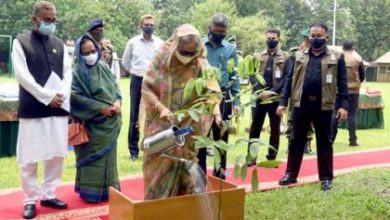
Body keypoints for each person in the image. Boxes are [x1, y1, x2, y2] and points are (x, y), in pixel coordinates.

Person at [141, 24, 220, 200]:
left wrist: (216, 113)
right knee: (158, 162)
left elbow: (213, 92)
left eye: (191, 53)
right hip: (161, 124)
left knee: (187, 165)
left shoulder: (200, 62)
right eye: (184, 52)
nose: (187, 57)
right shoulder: (161, 58)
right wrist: (161, 107)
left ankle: (183, 208)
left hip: (188, 125)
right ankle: (155, 208)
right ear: (176, 45)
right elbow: (146, 86)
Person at [11, 1, 70, 218]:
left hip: (58, 107)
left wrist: (60, 94)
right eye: (47, 20)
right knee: (29, 155)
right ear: (35, 19)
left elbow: (67, 72)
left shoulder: (60, 44)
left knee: (56, 154)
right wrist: (47, 97)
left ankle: (49, 194)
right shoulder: (21, 41)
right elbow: (22, 76)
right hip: (33, 107)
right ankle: (29, 199)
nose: (51, 24)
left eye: (54, 20)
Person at [276, 23, 349, 191]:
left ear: (326, 37)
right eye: (313, 36)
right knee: (296, 140)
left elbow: (343, 82)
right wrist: (282, 103)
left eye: (319, 36)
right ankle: (290, 174)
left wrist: (344, 106)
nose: (315, 39)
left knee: (324, 141)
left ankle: (325, 178)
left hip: (324, 105)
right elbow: (289, 80)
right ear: (309, 37)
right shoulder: (298, 56)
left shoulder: (337, 57)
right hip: (301, 104)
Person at [70, 34, 122, 203]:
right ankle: (90, 193)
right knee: (93, 161)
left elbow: (116, 89)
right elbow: (76, 97)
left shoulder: (104, 68)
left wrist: (117, 103)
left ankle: (109, 191)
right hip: (92, 124)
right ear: (79, 54)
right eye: (86, 52)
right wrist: (101, 109)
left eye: (93, 50)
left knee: (110, 159)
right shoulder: (77, 73)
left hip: (110, 123)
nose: (91, 55)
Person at [197, 13, 240, 179]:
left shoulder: (230, 49)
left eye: (223, 32)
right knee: (202, 136)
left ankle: (220, 171)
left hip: (223, 97)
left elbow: (234, 76)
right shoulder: (199, 45)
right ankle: (200, 172)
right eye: (217, 31)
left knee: (221, 135)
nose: (220, 34)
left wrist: (236, 101)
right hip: (203, 97)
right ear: (209, 28)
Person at [247, 28, 292, 166]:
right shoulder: (257, 55)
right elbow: (251, 74)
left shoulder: (286, 57)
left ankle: (272, 157)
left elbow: (287, 78)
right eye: (268, 38)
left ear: (279, 39)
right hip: (259, 97)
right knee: (255, 127)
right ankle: (251, 157)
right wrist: (260, 92)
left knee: (275, 128)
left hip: (275, 98)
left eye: (273, 38)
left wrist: (271, 92)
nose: (270, 41)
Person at [122, 14, 164, 161]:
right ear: (141, 26)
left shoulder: (160, 43)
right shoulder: (133, 42)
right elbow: (126, 62)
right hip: (137, 79)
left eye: (151, 25)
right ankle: (133, 151)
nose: (149, 27)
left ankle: (152, 147)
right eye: (146, 24)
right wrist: (137, 72)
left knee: (153, 114)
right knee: (134, 114)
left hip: (154, 82)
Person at [331, 40, 365, 146]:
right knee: (352, 115)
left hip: (338, 91)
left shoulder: (337, 58)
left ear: (343, 48)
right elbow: (362, 75)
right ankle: (353, 140)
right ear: (353, 48)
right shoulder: (358, 59)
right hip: (353, 90)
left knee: (335, 114)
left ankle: (331, 138)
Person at [286, 28, 315, 155]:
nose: (308, 41)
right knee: (293, 119)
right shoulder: (295, 53)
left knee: (310, 120)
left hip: (311, 92)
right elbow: (289, 70)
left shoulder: (318, 53)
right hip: (296, 92)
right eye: (307, 39)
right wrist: (301, 51)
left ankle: (307, 144)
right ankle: (290, 143)